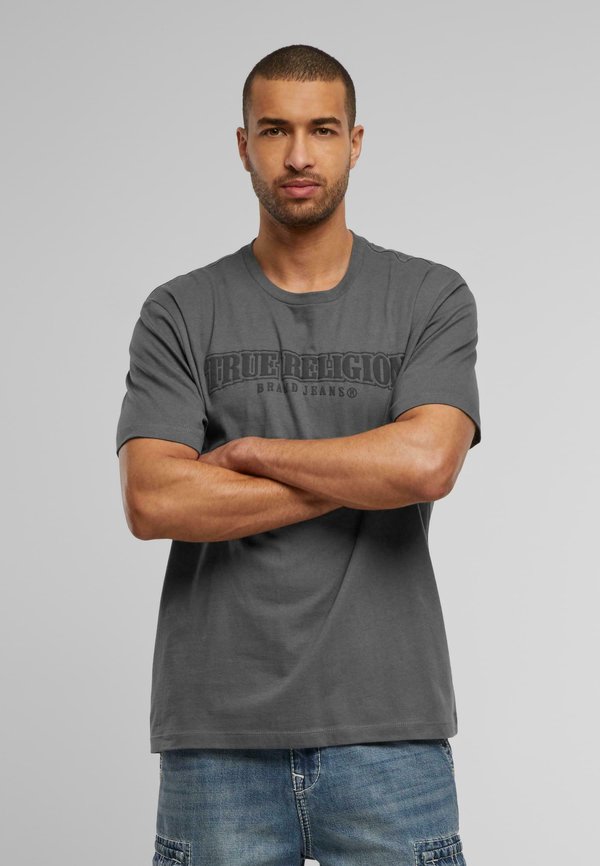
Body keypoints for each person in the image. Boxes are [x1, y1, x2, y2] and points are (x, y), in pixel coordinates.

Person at [116, 43, 480, 866]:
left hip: (389, 729)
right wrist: (368, 472)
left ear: (356, 141)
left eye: (322, 129)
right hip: (217, 737)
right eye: (275, 130)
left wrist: (246, 453)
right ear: (243, 144)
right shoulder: (180, 311)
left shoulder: (429, 297)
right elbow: (153, 499)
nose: (299, 156)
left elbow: (427, 466)